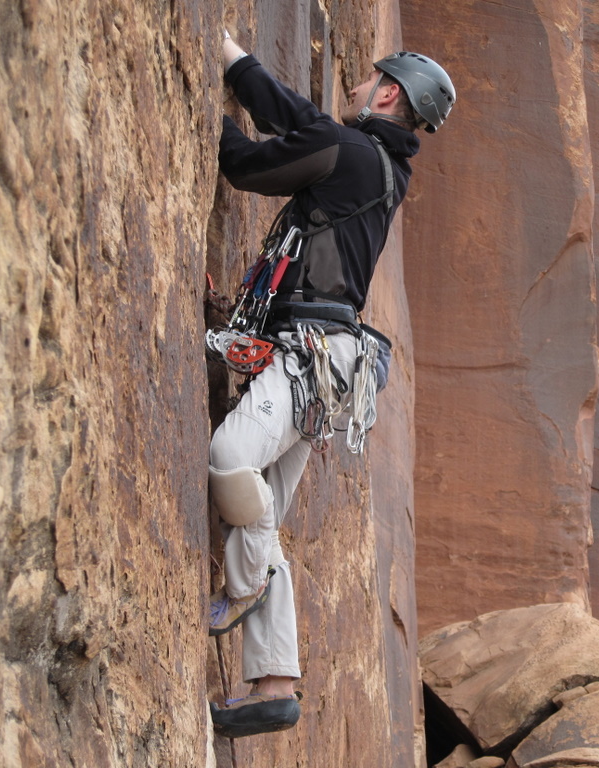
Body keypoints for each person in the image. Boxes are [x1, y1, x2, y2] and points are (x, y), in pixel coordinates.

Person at [206, 30, 455, 739]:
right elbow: (284, 133)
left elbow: (254, 153)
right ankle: (274, 682)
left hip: (310, 354)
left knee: (230, 459)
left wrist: (219, 65)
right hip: (330, 366)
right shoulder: (379, 169)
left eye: (365, 80)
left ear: (387, 96)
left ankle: (248, 586)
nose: (351, 86)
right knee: (259, 517)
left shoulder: (350, 153)